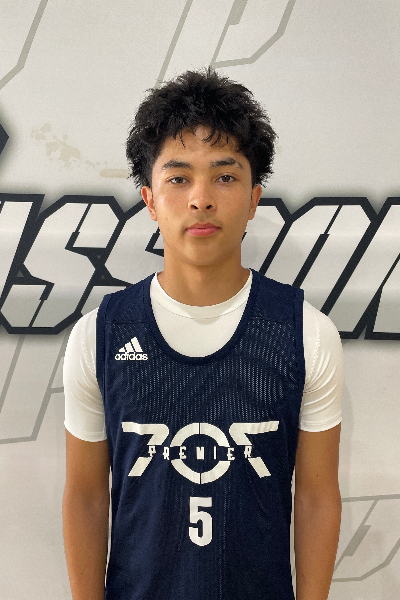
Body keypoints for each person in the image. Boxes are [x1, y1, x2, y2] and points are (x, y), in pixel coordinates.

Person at [62, 67, 343, 600]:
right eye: (178, 178)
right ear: (149, 198)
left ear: (254, 198)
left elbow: (315, 497)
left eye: (225, 176)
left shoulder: (306, 332)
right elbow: (86, 497)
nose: (201, 198)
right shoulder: (99, 334)